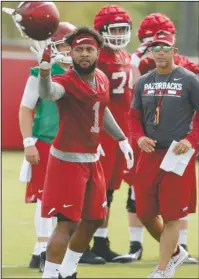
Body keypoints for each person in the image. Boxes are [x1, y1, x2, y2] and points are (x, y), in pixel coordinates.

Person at [37, 26, 134, 278]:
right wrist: (45, 72)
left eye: (89, 49)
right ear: (71, 53)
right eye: (78, 49)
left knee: (93, 219)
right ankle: (50, 274)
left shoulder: (101, 76)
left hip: (93, 159)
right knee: (66, 223)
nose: (83, 54)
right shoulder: (66, 81)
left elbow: (102, 109)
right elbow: (48, 93)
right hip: (67, 161)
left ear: (98, 52)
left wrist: (121, 138)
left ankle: (67, 271)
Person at [126, 13, 199, 263]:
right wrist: (137, 137)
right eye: (154, 46)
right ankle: (163, 250)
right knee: (143, 206)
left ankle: (170, 260)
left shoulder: (189, 76)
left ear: (173, 48)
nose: (158, 51)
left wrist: (192, 138)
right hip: (148, 148)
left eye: (164, 47)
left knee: (173, 210)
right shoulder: (144, 77)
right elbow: (133, 114)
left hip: (179, 149)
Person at [19, 22, 79, 272]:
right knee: (45, 198)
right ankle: (43, 249)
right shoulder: (40, 73)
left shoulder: (85, 71)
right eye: (62, 43)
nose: (66, 49)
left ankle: (49, 251)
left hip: (76, 145)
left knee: (70, 201)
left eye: (70, 43)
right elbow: (25, 108)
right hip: (46, 140)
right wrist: (28, 141)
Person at [90, 5, 140, 263]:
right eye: (115, 29)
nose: (120, 34)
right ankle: (79, 243)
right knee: (91, 190)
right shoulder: (95, 56)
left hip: (121, 134)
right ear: (101, 31)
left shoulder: (126, 55)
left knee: (108, 191)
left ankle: (100, 241)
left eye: (123, 29)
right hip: (100, 132)